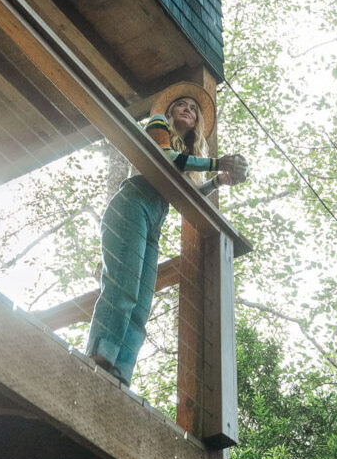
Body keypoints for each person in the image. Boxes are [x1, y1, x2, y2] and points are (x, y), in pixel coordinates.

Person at [85, 81, 248, 386]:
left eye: (195, 110)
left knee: (142, 302)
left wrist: (218, 180)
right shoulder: (158, 124)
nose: (189, 110)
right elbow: (164, 159)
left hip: (156, 218)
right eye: (183, 105)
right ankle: (98, 355)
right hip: (132, 204)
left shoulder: (188, 153)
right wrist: (216, 162)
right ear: (171, 111)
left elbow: (191, 194)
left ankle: (120, 373)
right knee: (123, 290)